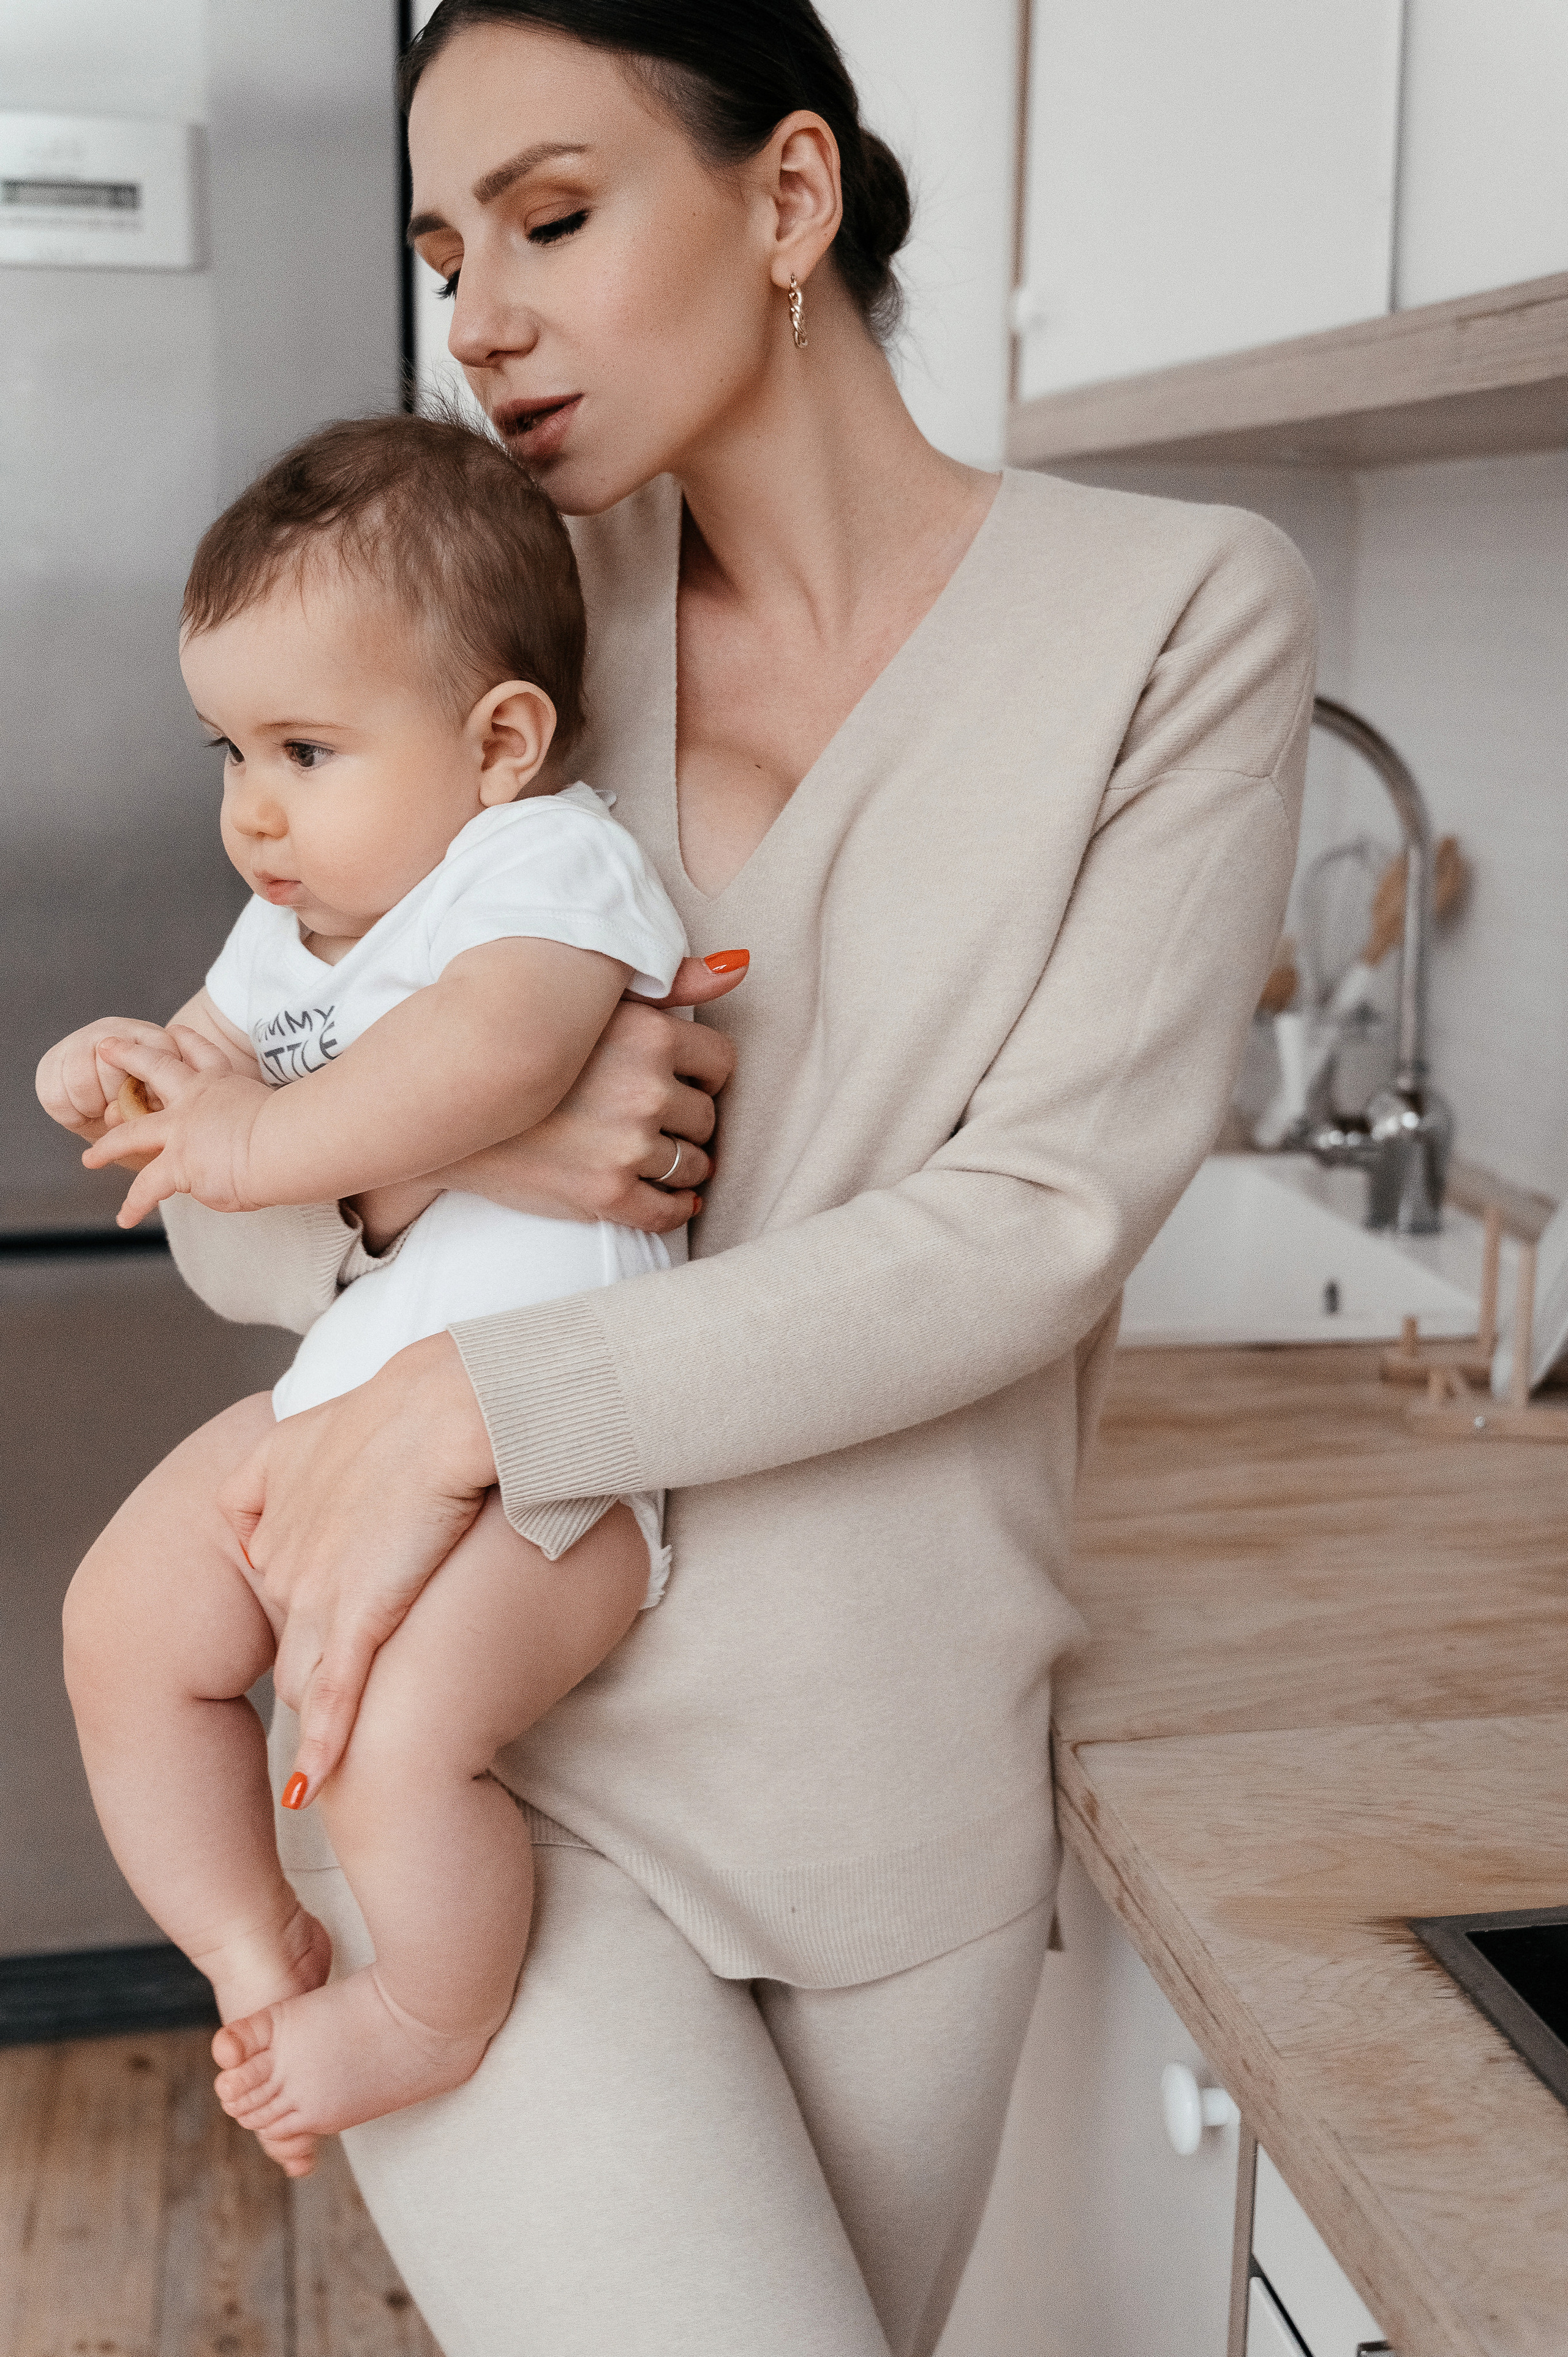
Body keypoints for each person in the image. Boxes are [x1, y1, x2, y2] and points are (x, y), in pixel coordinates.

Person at [150, 2, 1318, 2351]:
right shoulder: (495, 628)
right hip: (465, 1759)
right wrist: (427, 1167)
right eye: (441, 244)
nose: (476, 315)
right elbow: (213, 1178)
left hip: (900, 1797)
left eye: (554, 218)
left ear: (790, 198)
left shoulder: (1177, 615)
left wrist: (489, 1392)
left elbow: (1040, 1224)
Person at [42, 411, 737, 2178]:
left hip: (543, 1454)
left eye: (304, 747)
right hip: (347, 1396)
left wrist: (253, 1137)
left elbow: (493, 1061)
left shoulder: (542, 868)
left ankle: (431, 2007)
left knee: (393, 1737)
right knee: (120, 1622)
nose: (250, 809)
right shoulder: (300, 923)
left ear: (498, 740)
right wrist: (121, 1071)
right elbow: (205, 1067)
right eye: (227, 749)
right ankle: (246, 1946)